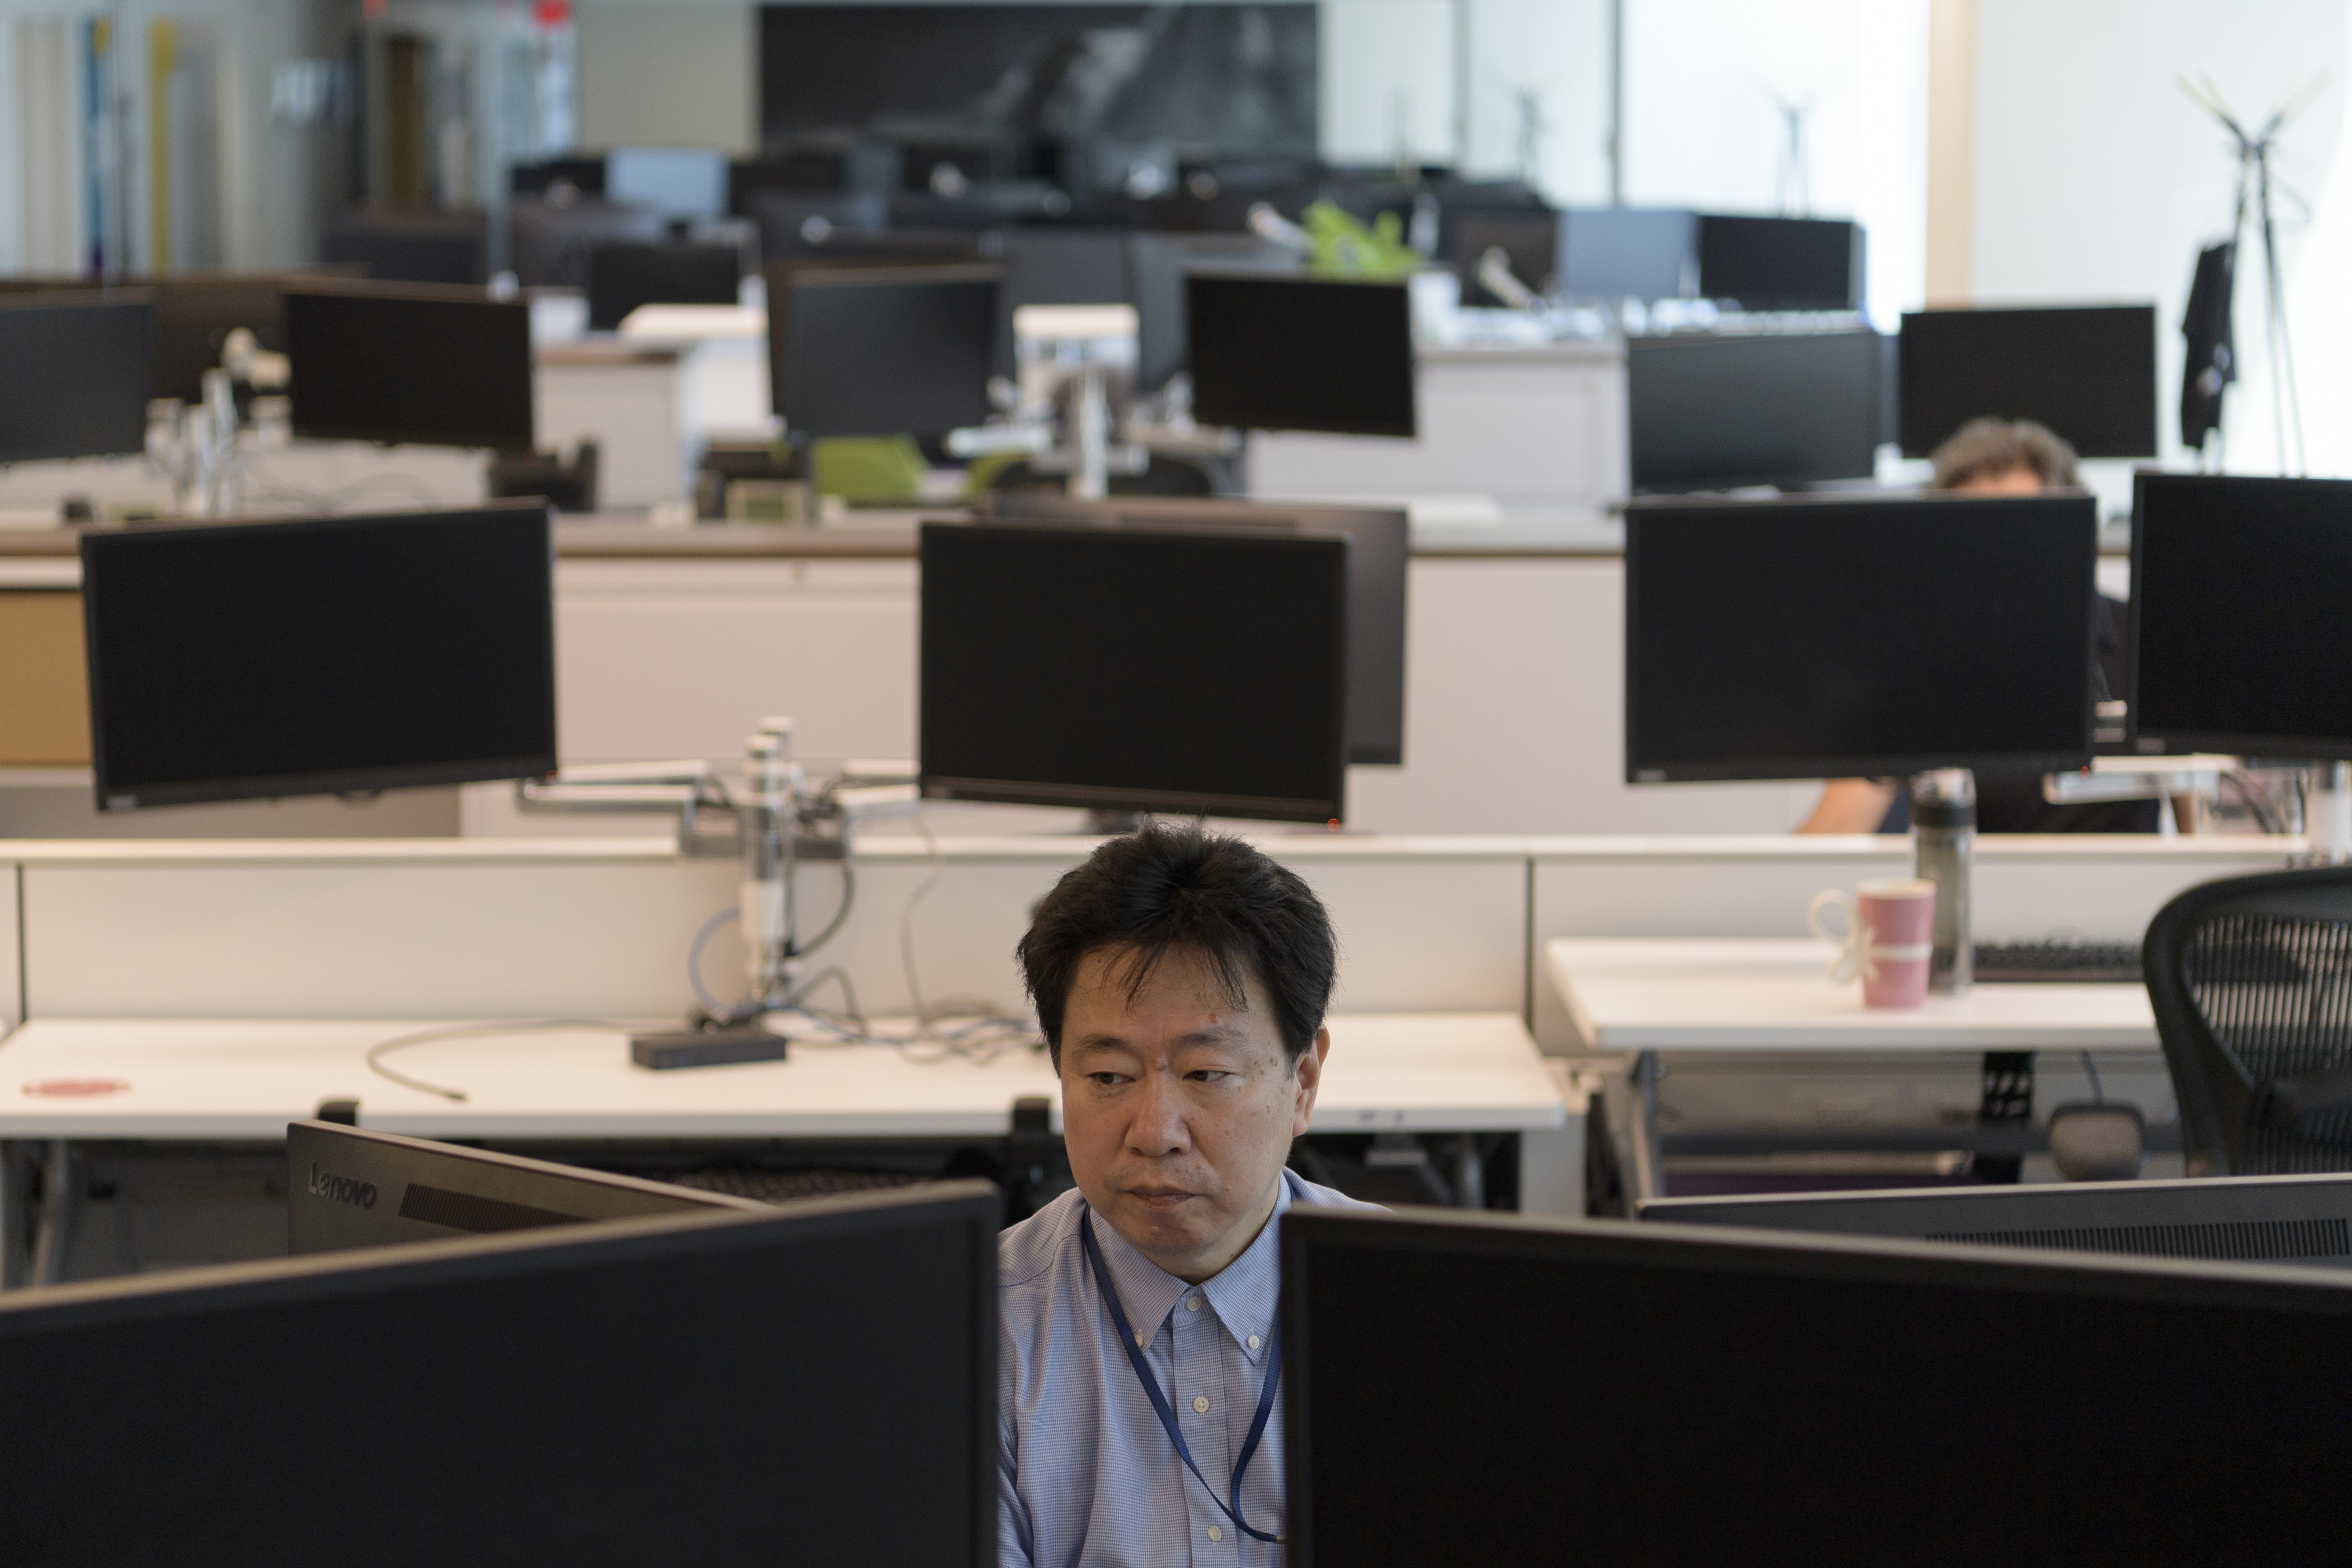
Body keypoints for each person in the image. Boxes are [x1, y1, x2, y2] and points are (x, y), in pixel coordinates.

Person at [997, 823, 1379, 1566]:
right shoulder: (983, 1331)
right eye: (1108, 1077)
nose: (1155, 1133)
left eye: (1206, 1075)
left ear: (1303, 1082)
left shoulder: (1418, 1308)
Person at [1796, 417, 2164, 835]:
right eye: (1976, 536)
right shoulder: (1909, 663)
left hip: (2124, 893)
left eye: (2022, 530)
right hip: (1968, 890)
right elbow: (1833, 831)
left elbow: (2200, 827)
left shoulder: (2142, 640)